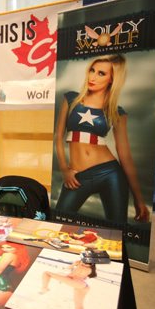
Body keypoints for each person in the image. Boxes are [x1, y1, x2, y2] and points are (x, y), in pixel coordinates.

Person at [54, 54, 149, 224]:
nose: (93, 76)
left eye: (101, 73)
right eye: (92, 70)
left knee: (117, 231)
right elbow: (58, 136)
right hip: (77, 175)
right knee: (59, 221)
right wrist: (64, 168)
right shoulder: (71, 99)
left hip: (110, 173)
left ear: (112, 79)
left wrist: (138, 198)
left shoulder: (116, 112)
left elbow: (125, 155)